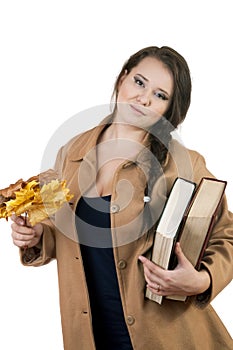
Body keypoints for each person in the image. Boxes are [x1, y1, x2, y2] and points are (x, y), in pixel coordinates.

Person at [11, 46, 233, 350]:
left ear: (170, 109)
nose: (143, 98)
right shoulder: (70, 154)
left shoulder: (183, 164)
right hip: (90, 336)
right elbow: (58, 230)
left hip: (167, 338)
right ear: (122, 79)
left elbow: (227, 234)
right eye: (139, 83)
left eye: (160, 95)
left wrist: (202, 280)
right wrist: (37, 236)